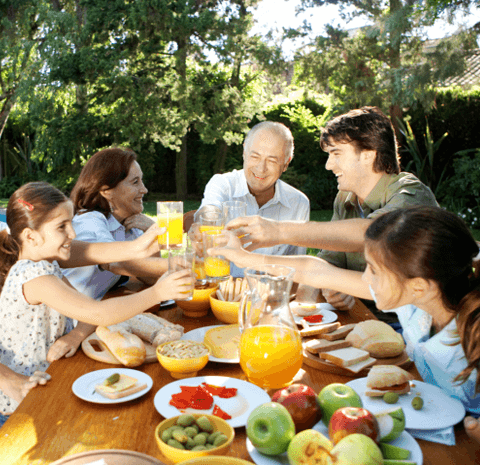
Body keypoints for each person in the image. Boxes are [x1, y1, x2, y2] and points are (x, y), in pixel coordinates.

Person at [0, 119, 164, 464]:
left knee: (63, 419)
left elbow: (63, 249)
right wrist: (10, 380)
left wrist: (136, 248)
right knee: (19, 449)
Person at [214, 206, 480, 414]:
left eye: (373, 270)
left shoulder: (469, 335)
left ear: (419, 286)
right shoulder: (413, 302)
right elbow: (316, 271)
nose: (365, 279)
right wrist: (246, 258)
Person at [0, 182, 190, 424]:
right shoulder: (35, 278)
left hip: (50, 384)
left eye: (71, 223)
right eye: (62, 227)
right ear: (31, 236)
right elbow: (98, 314)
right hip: (24, 410)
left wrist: (75, 336)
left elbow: (86, 310)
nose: (72, 234)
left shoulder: (46, 264)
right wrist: (157, 292)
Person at [227, 107, 438, 313]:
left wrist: (279, 231)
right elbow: (326, 261)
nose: (328, 165)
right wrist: (303, 310)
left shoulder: (411, 193)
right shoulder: (345, 199)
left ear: (368, 155)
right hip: (363, 317)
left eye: (336, 153)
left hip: (417, 328)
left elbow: (372, 233)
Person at [195, 121, 310, 276]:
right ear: (244, 152)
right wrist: (206, 219)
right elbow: (210, 210)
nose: (261, 168)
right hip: (221, 295)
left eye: (272, 160)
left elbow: (299, 269)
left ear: (286, 163)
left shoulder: (299, 203)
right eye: (255, 156)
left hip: (269, 296)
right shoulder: (222, 184)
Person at [64, 148, 167, 300]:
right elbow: (116, 263)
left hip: (91, 315)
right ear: (106, 191)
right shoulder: (89, 221)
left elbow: (152, 278)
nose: (144, 189)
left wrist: (149, 232)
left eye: (142, 180)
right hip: (67, 319)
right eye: (135, 182)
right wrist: (186, 264)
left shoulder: (130, 225)